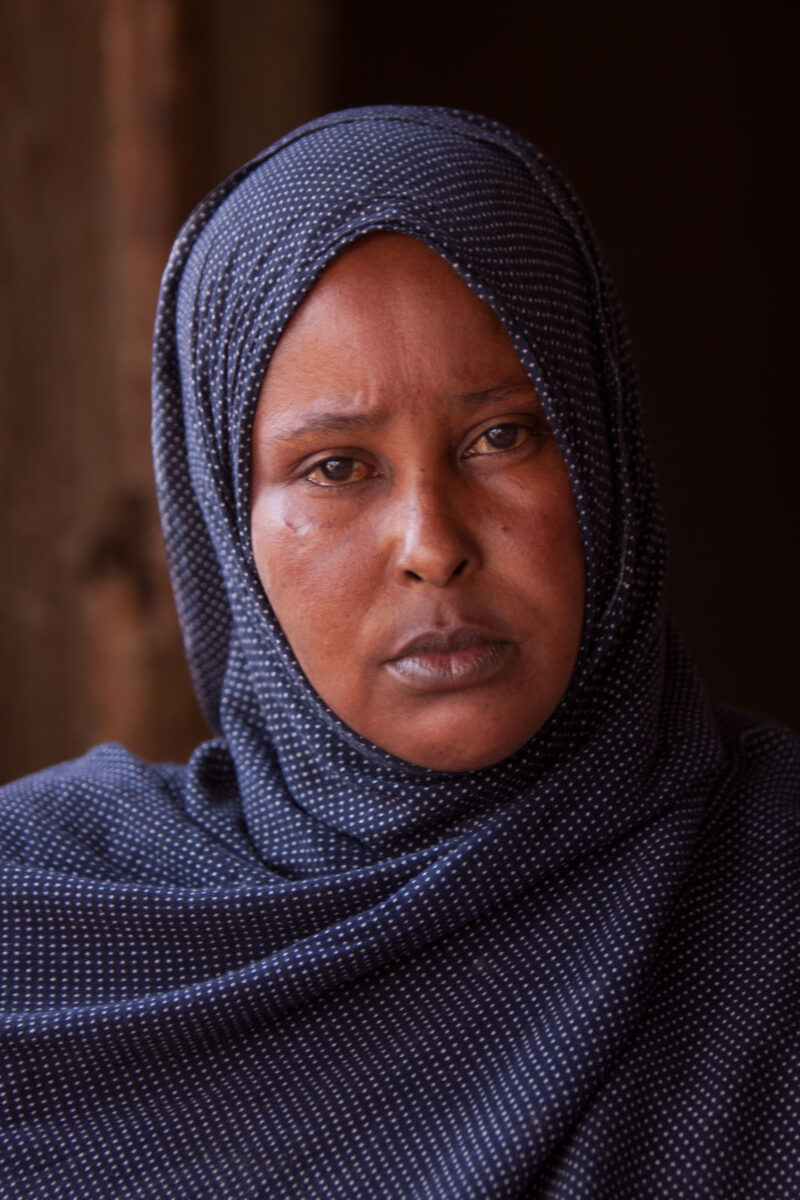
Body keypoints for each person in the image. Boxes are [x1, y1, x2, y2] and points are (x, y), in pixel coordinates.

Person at [0, 106, 797, 1199]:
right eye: (334, 468)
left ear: (602, 454)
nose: (432, 547)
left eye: (502, 436)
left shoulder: (768, 896)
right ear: (226, 520)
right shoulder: (42, 938)